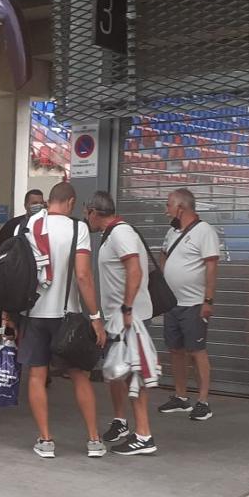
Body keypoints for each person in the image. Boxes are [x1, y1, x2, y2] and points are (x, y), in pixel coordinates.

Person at [7, 182, 107, 458]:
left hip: (32, 314)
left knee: (37, 375)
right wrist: (96, 317)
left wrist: (9, 314)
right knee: (79, 376)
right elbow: (83, 276)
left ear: (50, 200)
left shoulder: (24, 227)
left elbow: (14, 273)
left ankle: (45, 440)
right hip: (67, 316)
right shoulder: (78, 228)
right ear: (71, 202)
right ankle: (94, 440)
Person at [85, 191, 158, 456]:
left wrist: (127, 307)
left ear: (94, 212)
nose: (87, 219)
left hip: (130, 318)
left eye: (87, 214)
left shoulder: (121, 233)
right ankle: (122, 423)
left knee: (133, 374)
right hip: (118, 318)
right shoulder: (111, 234)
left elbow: (135, 270)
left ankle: (144, 435)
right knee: (117, 372)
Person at [157, 188, 222, 422]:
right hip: (172, 303)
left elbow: (211, 267)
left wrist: (208, 300)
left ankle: (203, 401)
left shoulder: (204, 231)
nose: (166, 210)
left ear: (181, 207)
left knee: (197, 351)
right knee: (175, 350)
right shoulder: (172, 232)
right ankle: (181, 397)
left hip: (194, 304)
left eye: (168, 205)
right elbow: (164, 255)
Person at [0, 189, 45, 256]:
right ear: (25, 205)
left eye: (41, 203)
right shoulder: (14, 224)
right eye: (34, 203)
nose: (38, 206)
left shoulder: (46, 224)